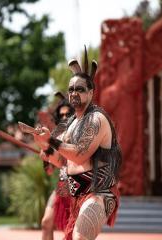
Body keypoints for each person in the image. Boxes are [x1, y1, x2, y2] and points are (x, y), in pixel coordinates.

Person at [33, 47, 122, 240]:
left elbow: (81, 154)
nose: (74, 93)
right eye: (71, 89)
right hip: (75, 195)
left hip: (99, 193)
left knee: (80, 237)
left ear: (91, 92)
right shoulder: (71, 124)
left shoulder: (96, 119)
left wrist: (51, 140)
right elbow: (62, 162)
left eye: (80, 89)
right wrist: (44, 147)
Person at [41, 94, 74, 240]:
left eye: (68, 114)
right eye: (62, 115)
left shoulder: (81, 134)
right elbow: (49, 171)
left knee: (73, 232)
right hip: (62, 187)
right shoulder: (55, 138)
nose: (65, 117)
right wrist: (46, 155)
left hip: (79, 188)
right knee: (46, 222)